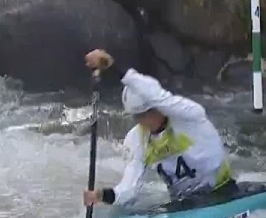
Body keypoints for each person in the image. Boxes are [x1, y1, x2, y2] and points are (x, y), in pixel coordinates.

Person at [81, 49, 237, 209]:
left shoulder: (188, 116)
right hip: (184, 204)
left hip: (222, 192)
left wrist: (113, 67)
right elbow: (129, 188)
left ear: (157, 108)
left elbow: (158, 96)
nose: (141, 121)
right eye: (136, 116)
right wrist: (102, 195)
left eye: (144, 114)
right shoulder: (136, 139)